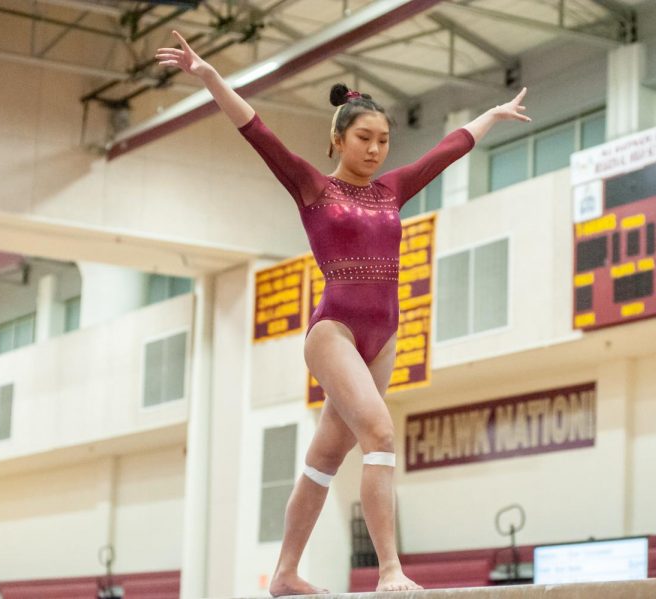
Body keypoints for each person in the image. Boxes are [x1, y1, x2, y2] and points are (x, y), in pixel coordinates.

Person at [156, 30, 530, 596]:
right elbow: (256, 129)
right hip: (333, 331)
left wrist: (493, 116)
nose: (377, 149)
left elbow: (449, 149)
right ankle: (390, 571)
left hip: (384, 335)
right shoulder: (312, 187)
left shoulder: (392, 189)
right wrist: (209, 75)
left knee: (325, 458)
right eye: (364, 138)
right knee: (380, 432)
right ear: (338, 138)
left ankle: (283, 574)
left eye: (383, 139)